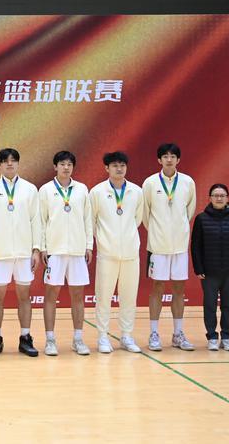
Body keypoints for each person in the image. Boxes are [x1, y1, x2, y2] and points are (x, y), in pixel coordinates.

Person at [0, 148, 42, 357]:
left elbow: (36, 221)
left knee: (24, 296)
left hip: (24, 253)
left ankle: (25, 337)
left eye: (13, 160)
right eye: (5, 161)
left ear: (18, 163)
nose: (10, 164)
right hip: (0, 253)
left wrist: (36, 249)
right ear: (0, 164)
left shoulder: (30, 189)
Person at [142, 143, 197, 351]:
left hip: (180, 246)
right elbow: (145, 214)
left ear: (178, 160)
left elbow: (189, 210)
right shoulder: (150, 183)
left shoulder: (187, 182)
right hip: (158, 246)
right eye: (165, 156)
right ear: (159, 160)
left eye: (173, 156)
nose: (169, 159)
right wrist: (158, 232)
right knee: (157, 287)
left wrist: (179, 230)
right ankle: (154, 333)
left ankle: (178, 334)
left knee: (179, 289)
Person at [38, 151, 93, 356]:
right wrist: (43, 247)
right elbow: (41, 221)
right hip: (55, 250)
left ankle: (78, 339)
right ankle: (50, 340)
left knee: (78, 295)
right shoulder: (45, 190)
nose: (66, 167)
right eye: (62, 164)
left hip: (77, 250)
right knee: (51, 294)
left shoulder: (82, 189)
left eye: (69, 164)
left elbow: (87, 219)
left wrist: (89, 245)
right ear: (55, 167)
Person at [90, 151, 144, 354]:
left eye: (122, 165)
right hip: (107, 254)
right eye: (115, 165)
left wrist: (127, 239)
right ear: (107, 168)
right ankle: (102, 336)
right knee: (103, 296)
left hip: (130, 253)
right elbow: (92, 221)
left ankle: (126, 335)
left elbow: (137, 219)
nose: (119, 169)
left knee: (129, 297)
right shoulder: (97, 192)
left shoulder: (136, 191)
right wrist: (104, 241)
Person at [191, 184, 229, 350]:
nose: (219, 198)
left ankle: (226, 337)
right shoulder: (201, 219)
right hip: (209, 272)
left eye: (222, 195)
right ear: (210, 198)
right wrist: (198, 268)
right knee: (210, 305)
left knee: (228, 305)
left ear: (227, 198)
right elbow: (196, 246)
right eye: (215, 195)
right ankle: (211, 337)